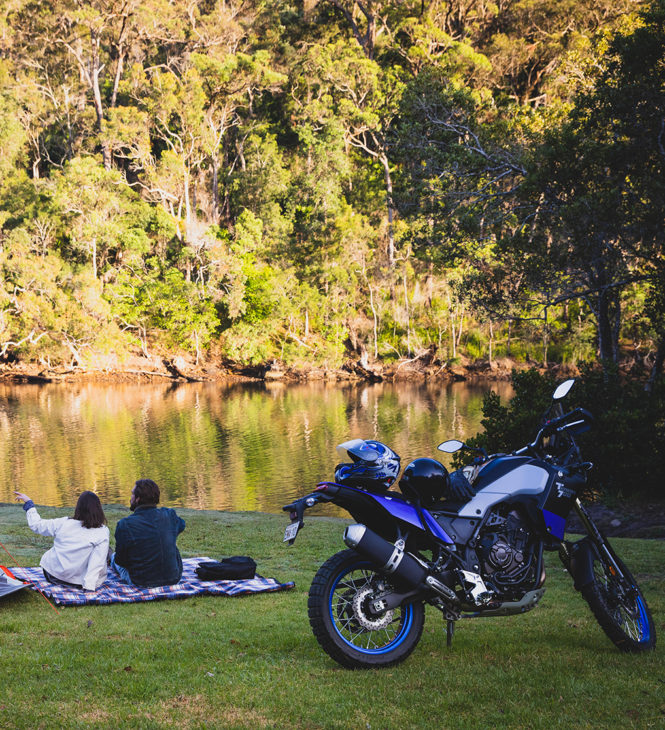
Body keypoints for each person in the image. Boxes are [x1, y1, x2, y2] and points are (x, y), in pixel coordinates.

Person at [13, 490, 109, 591]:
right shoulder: (102, 532)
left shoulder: (64, 523)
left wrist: (29, 504)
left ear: (78, 508)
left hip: (52, 575)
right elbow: (97, 563)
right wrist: (89, 587)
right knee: (106, 553)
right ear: (98, 509)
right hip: (76, 582)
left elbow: (37, 525)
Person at [111, 478, 185, 588]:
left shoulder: (125, 524)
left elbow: (121, 561)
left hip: (142, 581)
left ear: (138, 499)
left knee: (113, 558)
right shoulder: (169, 515)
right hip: (173, 578)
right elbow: (181, 525)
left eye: (132, 494)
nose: (130, 498)